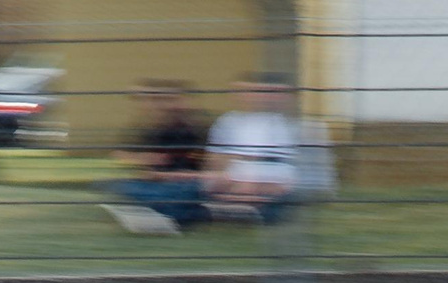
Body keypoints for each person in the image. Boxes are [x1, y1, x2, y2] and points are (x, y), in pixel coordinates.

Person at [103, 80, 212, 235]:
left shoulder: (200, 129)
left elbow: (207, 173)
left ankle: (179, 214)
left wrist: (161, 175)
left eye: (171, 100)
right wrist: (142, 158)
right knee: (114, 185)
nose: (163, 105)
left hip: (189, 183)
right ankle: (166, 210)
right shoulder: (155, 127)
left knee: (181, 192)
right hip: (157, 184)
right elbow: (119, 152)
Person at [204, 74, 307, 225]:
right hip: (236, 182)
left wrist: (251, 181)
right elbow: (216, 160)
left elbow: (294, 170)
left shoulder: (297, 126)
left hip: (275, 184)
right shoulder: (228, 121)